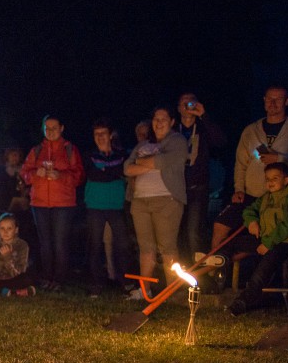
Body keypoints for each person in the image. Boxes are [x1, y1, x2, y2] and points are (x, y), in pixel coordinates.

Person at [211, 85, 288, 253]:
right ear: (264, 101)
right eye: (269, 99)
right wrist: (238, 188)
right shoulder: (251, 130)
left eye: (278, 99)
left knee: (258, 238)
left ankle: (249, 273)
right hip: (251, 193)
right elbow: (241, 162)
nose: (272, 103)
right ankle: (215, 271)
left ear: (287, 102)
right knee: (220, 225)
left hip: (278, 198)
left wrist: (280, 158)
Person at [124, 107, 188, 293]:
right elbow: (128, 168)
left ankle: (173, 291)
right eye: (156, 119)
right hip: (140, 201)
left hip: (166, 200)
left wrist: (143, 163)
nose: (159, 123)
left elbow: (163, 162)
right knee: (146, 248)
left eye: (163, 119)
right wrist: (151, 163)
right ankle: (145, 291)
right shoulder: (143, 144)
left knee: (167, 247)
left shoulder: (177, 141)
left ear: (172, 122)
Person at [227, 163, 288, 316]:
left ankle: (243, 301)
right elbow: (249, 210)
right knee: (234, 243)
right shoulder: (265, 198)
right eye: (268, 179)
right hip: (265, 238)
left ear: (286, 180)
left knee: (266, 265)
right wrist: (252, 221)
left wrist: (267, 244)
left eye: (275, 178)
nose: (270, 182)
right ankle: (219, 265)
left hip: (285, 242)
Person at [21, 115, 85, 291]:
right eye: (47, 128)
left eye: (54, 128)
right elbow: (24, 173)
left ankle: (60, 279)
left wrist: (61, 176)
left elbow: (79, 175)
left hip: (63, 203)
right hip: (40, 203)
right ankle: (47, 277)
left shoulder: (70, 149)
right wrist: (36, 174)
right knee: (45, 242)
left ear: (62, 128)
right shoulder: (37, 150)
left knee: (60, 242)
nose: (50, 131)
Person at [174, 93, 228, 259]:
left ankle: (197, 276)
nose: (188, 105)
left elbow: (221, 142)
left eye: (192, 102)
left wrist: (203, 115)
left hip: (197, 188)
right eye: (184, 102)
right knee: (175, 232)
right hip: (175, 188)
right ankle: (178, 274)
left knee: (193, 232)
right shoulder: (173, 130)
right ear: (178, 108)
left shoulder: (203, 128)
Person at [84, 119, 130, 297]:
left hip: (115, 206)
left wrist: (105, 172)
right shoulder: (90, 155)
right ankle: (95, 284)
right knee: (94, 245)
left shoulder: (121, 155)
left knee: (123, 245)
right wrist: (111, 173)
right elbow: (93, 174)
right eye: (97, 134)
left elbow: (120, 172)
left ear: (110, 135)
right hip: (95, 205)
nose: (100, 137)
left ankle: (124, 282)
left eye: (103, 133)